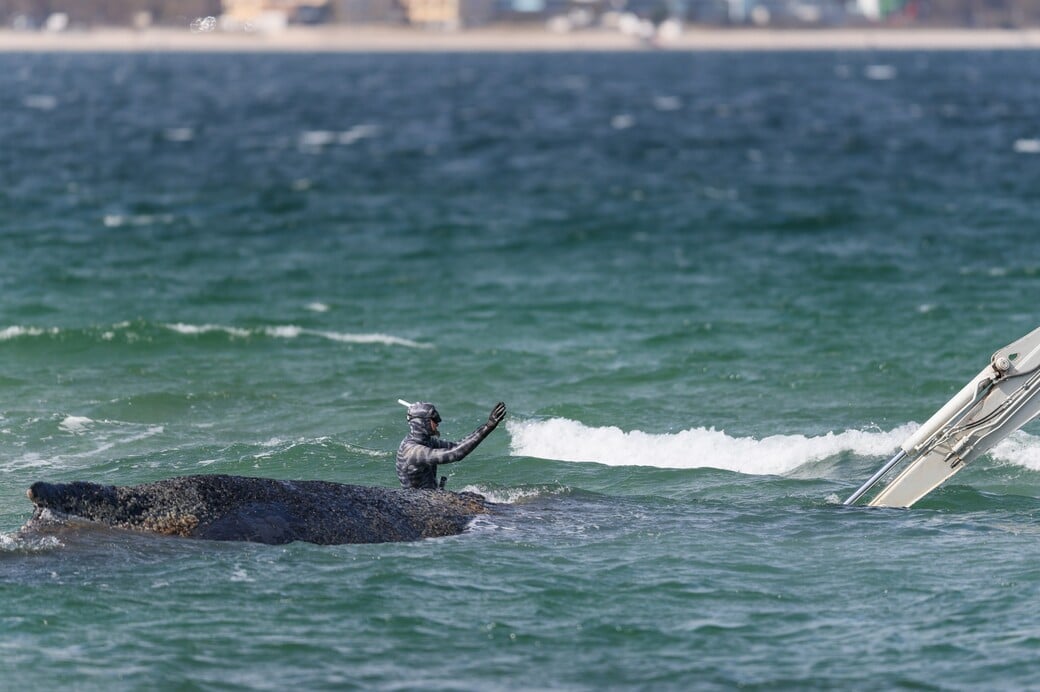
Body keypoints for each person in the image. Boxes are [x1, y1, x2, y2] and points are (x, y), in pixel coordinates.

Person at [396, 401, 507, 490]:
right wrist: (488, 428)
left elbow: (456, 446)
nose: (438, 422)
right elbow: (455, 454)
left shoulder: (426, 442)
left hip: (430, 498)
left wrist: (487, 426)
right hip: (418, 505)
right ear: (421, 422)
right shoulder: (413, 451)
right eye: (434, 418)